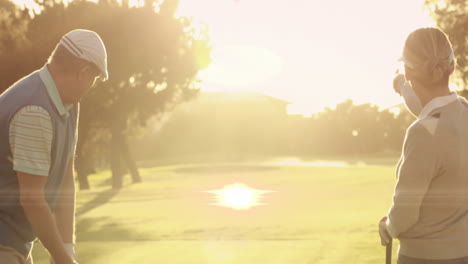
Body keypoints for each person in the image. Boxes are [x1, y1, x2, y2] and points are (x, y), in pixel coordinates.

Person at [0, 29, 108, 264]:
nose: (91, 86)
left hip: (14, 240)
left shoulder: (67, 103)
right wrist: (61, 258)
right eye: (94, 78)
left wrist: (66, 249)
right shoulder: (34, 110)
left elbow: (65, 177)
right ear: (83, 72)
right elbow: (32, 198)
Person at [378, 27, 468, 263]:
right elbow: (430, 110)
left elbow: (404, 214)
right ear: (452, 67)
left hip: (423, 257)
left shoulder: (422, 133)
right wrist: (402, 87)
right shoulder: (463, 112)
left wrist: (388, 227)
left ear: (409, 71)